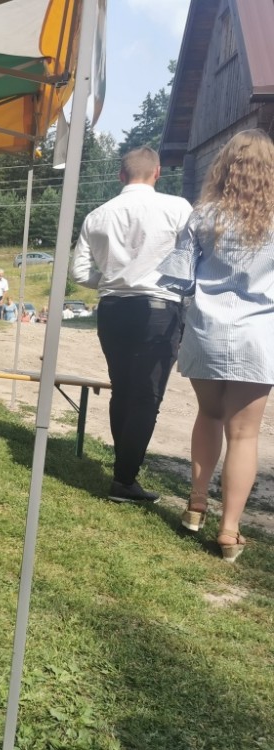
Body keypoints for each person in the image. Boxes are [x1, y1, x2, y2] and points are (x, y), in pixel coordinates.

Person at [156, 129, 274, 562]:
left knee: (208, 414)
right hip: (258, 334)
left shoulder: (202, 216)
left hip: (207, 329)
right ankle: (229, 531)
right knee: (244, 434)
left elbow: (179, 278)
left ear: (224, 167)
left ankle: (196, 503)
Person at [71, 146, 193, 503]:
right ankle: (124, 480)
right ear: (158, 173)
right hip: (158, 308)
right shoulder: (178, 208)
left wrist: (112, 280)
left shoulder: (97, 215)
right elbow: (191, 261)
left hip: (112, 309)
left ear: (120, 175)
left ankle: (122, 472)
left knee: (122, 389)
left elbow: (79, 272)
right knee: (146, 396)